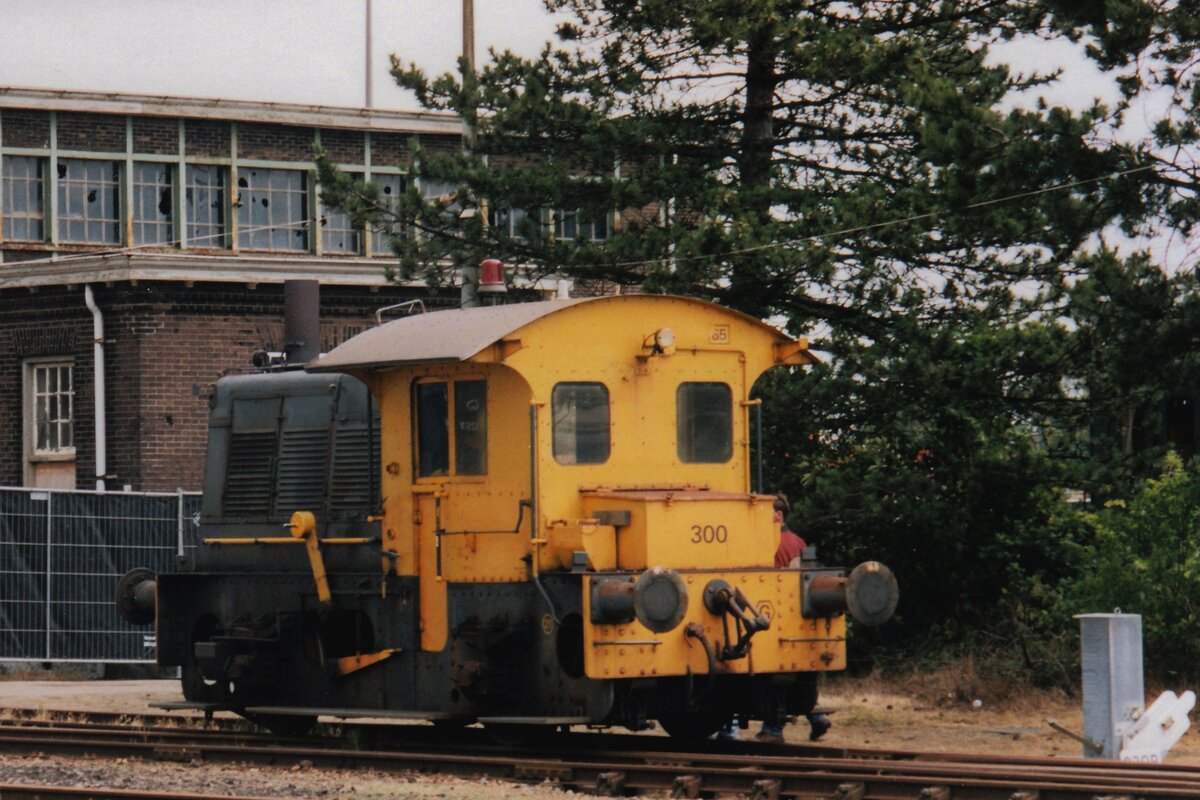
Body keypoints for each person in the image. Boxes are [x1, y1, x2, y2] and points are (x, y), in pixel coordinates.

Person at [753, 494, 832, 744]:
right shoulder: (798, 541)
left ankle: (773, 729)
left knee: (775, 677)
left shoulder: (771, 543)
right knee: (799, 674)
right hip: (799, 615)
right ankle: (816, 717)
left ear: (778, 515)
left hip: (775, 615)